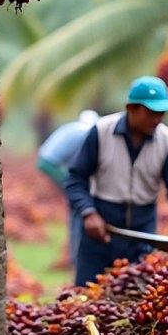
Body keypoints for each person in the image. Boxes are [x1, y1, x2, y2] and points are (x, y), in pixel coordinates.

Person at [66, 76, 168, 286]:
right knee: (87, 294)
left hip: (142, 232)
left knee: (138, 295)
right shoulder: (101, 132)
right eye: (151, 113)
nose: (157, 119)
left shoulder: (167, 140)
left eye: (161, 113)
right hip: (101, 230)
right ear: (131, 108)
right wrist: (88, 212)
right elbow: (75, 178)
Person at [36, 109, 101, 263]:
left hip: (47, 161)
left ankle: (76, 254)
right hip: (48, 163)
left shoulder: (74, 129)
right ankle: (76, 255)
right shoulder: (84, 134)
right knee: (80, 203)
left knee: (78, 204)